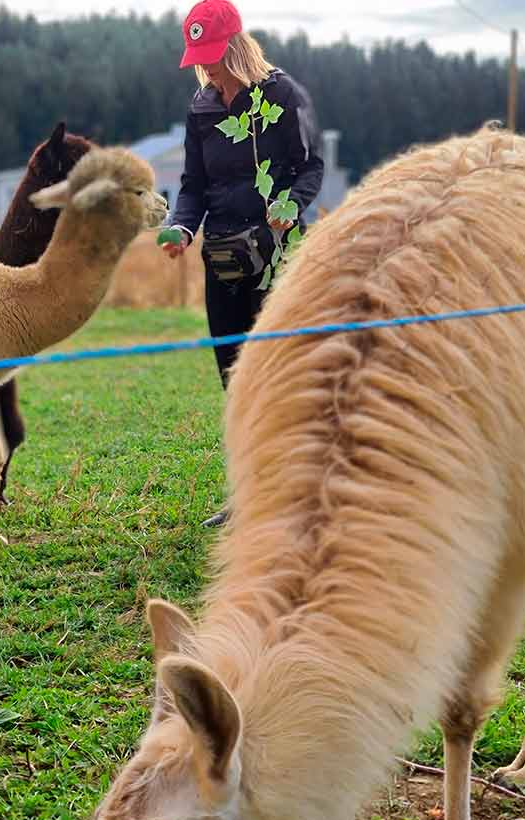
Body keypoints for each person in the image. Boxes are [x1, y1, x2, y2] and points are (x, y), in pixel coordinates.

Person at [162, 0, 324, 526]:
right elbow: (194, 185)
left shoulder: (282, 96)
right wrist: (183, 228)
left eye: (211, 57)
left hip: (276, 255)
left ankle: (298, 493)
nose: (205, 69)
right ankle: (249, 496)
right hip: (223, 257)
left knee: (279, 373)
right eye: (198, 60)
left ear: (235, 47)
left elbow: (310, 167)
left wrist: (289, 206)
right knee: (233, 375)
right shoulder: (202, 109)